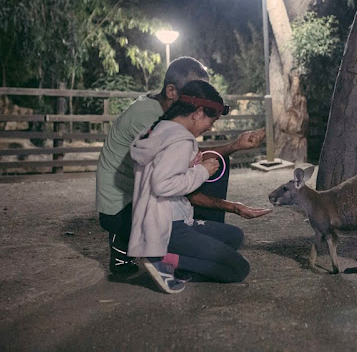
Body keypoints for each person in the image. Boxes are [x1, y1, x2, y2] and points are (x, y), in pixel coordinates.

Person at [96, 56, 270, 275]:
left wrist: (233, 147)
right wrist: (230, 205)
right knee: (212, 169)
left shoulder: (164, 118)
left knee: (215, 165)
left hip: (145, 200)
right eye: (194, 92)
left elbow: (190, 160)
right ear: (172, 91)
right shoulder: (157, 124)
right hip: (129, 210)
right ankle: (168, 253)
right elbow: (167, 182)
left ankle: (188, 246)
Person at [129, 79, 251, 293]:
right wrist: (202, 171)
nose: (209, 127)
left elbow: (158, 173)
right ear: (197, 112)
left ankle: (172, 261)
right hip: (169, 226)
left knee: (234, 236)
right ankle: (167, 262)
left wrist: (188, 166)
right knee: (238, 268)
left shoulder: (157, 130)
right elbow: (162, 184)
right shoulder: (181, 140)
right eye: (210, 122)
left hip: (156, 220)